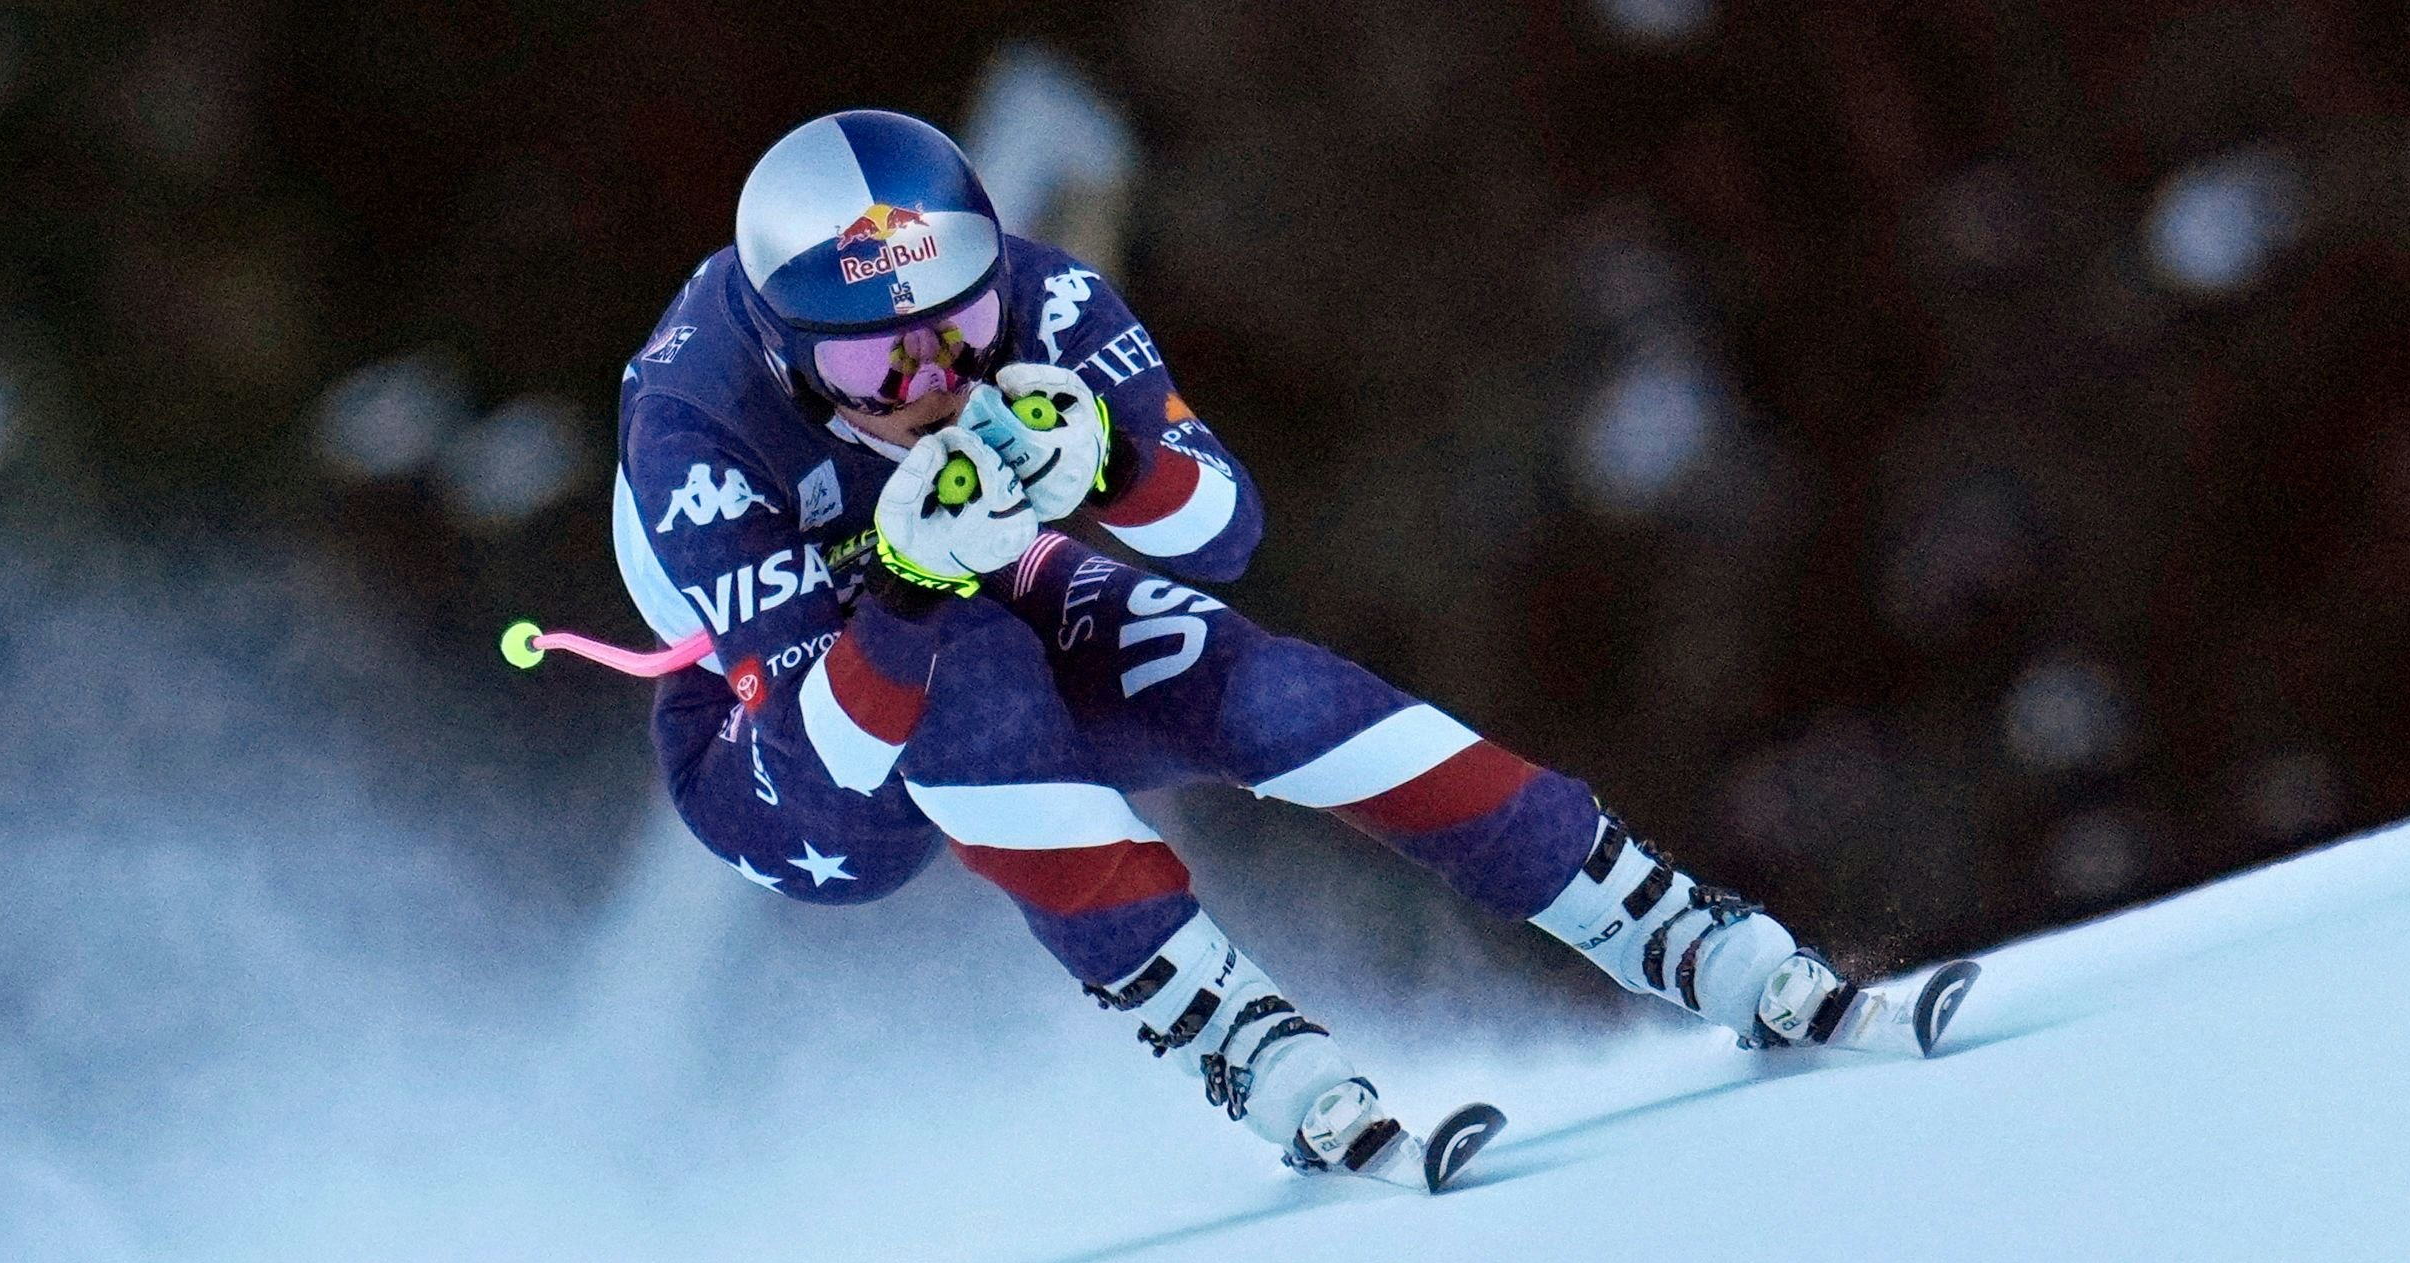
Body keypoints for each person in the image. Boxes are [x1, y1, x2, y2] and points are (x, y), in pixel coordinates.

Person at [606, 109, 1857, 1187]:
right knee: (974, 685)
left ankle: (1670, 926)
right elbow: (819, 765)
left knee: (1258, 690)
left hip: (962, 580)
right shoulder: (693, 426)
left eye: (963, 323)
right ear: (788, 356)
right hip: (779, 743)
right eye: (882, 358)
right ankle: (1244, 1046)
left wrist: (1106, 461)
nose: (938, 375)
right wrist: (909, 586)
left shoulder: (1037, 297)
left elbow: (1223, 526)